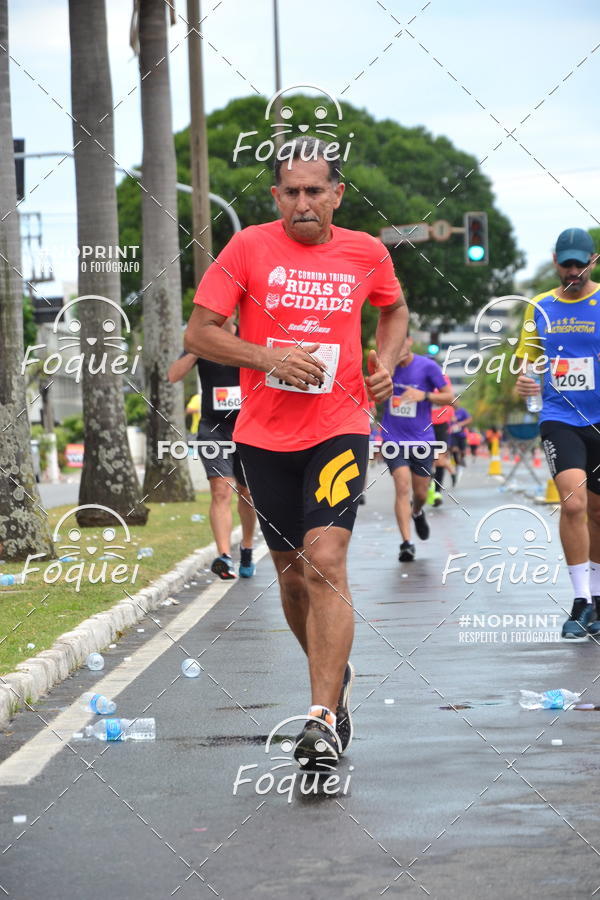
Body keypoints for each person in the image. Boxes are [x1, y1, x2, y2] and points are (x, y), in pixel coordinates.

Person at [183, 137, 407, 767]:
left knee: (323, 560)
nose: (304, 202)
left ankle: (319, 717)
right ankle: (333, 688)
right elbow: (198, 331)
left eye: (316, 191)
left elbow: (394, 311)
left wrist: (383, 362)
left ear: (337, 195)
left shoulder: (365, 253)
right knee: (290, 577)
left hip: (338, 428)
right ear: (277, 196)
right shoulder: (249, 246)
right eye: (292, 192)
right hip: (262, 436)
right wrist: (267, 356)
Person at [515, 227, 600, 640]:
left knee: (598, 512)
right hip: (560, 417)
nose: (572, 270)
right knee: (573, 502)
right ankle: (581, 600)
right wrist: (527, 382)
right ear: (555, 261)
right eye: (565, 263)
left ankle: (597, 599)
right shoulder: (540, 307)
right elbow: (527, 364)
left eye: (579, 263)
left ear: (592, 261)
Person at [168, 321, 257, 580]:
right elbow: (173, 375)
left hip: (247, 426)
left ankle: (247, 547)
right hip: (213, 428)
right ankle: (225, 557)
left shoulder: (249, 335)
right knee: (220, 490)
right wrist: (197, 348)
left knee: (247, 492)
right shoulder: (202, 340)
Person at [381, 335, 454, 561]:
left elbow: (449, 396)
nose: (398, 349)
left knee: (420, 493)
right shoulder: (385, 367)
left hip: (422, 440)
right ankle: (406, 543)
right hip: (392, 438)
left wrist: (424, 395)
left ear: (410, 341)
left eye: (401, 343)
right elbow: (371, 394)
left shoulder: (428, 367)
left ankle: (417, 511)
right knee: (402, 486)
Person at [431, 374, 456, 504]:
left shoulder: (444, 378)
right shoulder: (419, 378)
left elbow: (449, 396)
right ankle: (424, 489)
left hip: (441, 425)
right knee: (424, 459)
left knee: (440, 461)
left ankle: (437, 493)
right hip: (423, 424)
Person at [448, 406, 473, 476]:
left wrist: (461, 424)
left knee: (463, 451)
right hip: (452, 435)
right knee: (454, 449)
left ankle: (462, 458)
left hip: (462, 435)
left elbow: (469, 419)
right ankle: (457, 464)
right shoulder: (447, 410)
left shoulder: (462, 411)